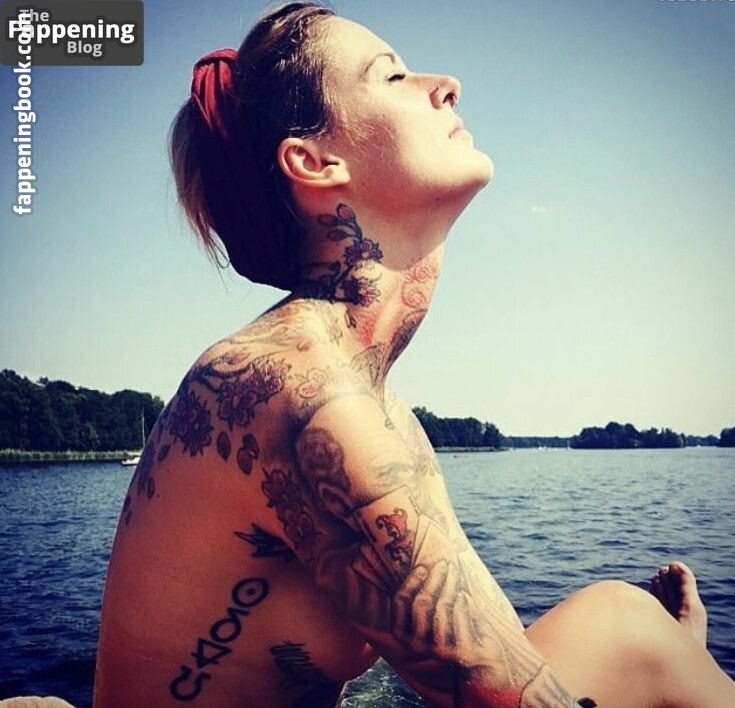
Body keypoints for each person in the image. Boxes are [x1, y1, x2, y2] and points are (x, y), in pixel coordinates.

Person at [93, 3, 735, 706]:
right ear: (314, 161)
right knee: (628, 627)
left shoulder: (374, 408)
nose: (446, 84)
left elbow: (498, 652)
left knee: (637, 632)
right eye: (392, 75)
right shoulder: (297, 393)